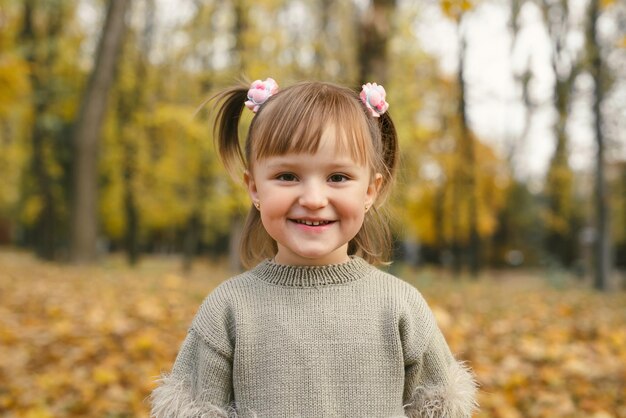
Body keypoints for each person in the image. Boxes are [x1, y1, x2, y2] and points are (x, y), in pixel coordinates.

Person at [150, 78, 478, 417]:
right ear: (254, 188)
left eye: (337, 177)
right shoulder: (229, 309)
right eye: (287, 176)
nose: (313, 199)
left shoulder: (400, 307)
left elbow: (440, 409)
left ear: (370, 191)